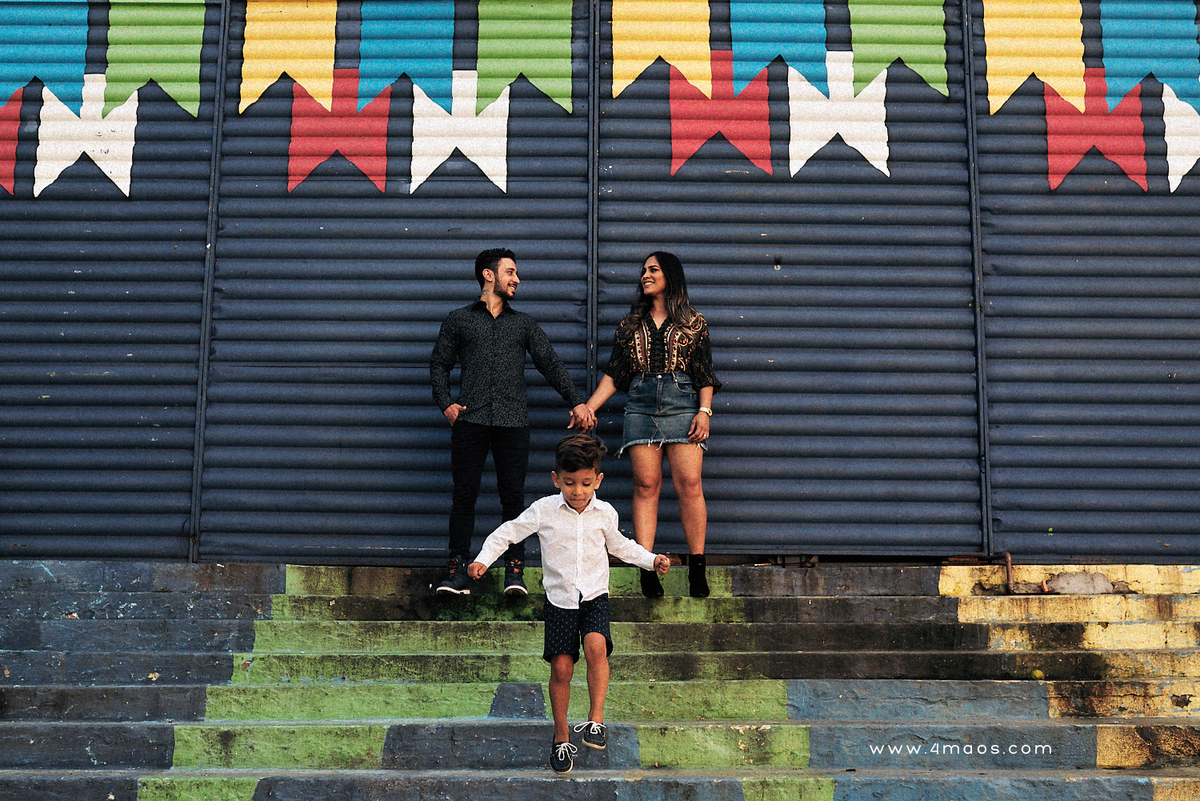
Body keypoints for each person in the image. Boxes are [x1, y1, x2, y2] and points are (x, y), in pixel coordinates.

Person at [466, 433, 670, 774]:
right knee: (561, 669)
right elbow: (508, 532)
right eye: (570, 483)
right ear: (556, 479)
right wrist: (484, 559)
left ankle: (596, 720)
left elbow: (621, 546)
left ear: (598, 480)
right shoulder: (544, 510)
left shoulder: (604, 512)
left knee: (596, 647)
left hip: (594, 596)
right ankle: (562, 736)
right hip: (559, 601)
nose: (578, 491)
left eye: (586, 483)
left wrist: (651, 561)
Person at [430, 248, 596, 596]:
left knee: (512, 498)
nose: (517, 279)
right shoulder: (458, 319)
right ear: (489, 275)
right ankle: (457, 568)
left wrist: (577, 401)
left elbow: (549, 363)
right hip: (470, 419)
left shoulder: (522, 324)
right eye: (510, 272)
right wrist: (446, 404)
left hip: (513, 422)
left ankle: (514, 570)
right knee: (464, 496)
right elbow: (439, 364)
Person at [582, 251, 720, 598]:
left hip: (682, 402)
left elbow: (704, 374)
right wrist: (589, 406)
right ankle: (646, 567)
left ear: (670, 276)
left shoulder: (694, 322)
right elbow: (615, 375)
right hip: (640, 404)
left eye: (653, 270)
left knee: (689, 483)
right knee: (646, 485)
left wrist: (704, 411)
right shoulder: (630, 325)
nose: (645, 275)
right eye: (643, 271)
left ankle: (697, 566)